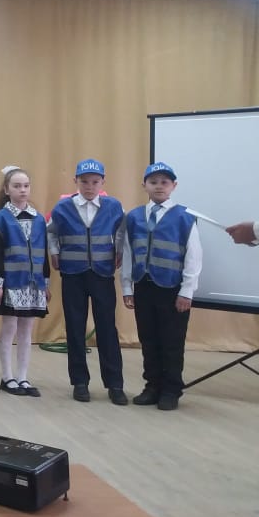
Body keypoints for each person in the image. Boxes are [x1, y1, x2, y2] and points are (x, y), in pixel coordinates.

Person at [121, 162, 202, 411]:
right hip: (143, 286)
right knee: (149, 339)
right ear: (144, 185)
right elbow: (127, 252)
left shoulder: (185, 217)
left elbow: (194, 256)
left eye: (164, 182)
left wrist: (187, 291)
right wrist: (127, 287)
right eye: (153, 182)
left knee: (171, 341)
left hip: (172, 289)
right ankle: (152, 386)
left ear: (173, 186)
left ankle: (171, 390)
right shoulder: (134, 217)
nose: (159, 186)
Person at [47, 159, 128, 405]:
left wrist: (119, 250)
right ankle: (79, 382)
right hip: (73, 275)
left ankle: (115, 384)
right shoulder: (63, 207)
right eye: (84, 181)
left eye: (95, 181)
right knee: (75, 327)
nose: (89, 186)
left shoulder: (113, 206)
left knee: (107, 329)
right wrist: (54, 252)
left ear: (103, 182)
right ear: (76, 181)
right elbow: (51, 231)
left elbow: (122, 230)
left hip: (102, 274)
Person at [0, 166, 50, 398]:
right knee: (10, 327)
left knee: (26, 329)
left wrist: (46, 283)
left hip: (33, 283)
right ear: (7, 190)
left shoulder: (39, 219)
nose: (22, 190)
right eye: (17, 186)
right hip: (11, 282)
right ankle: (7, 377)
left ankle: (23, 376)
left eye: (26, 186)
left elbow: (43, 253)